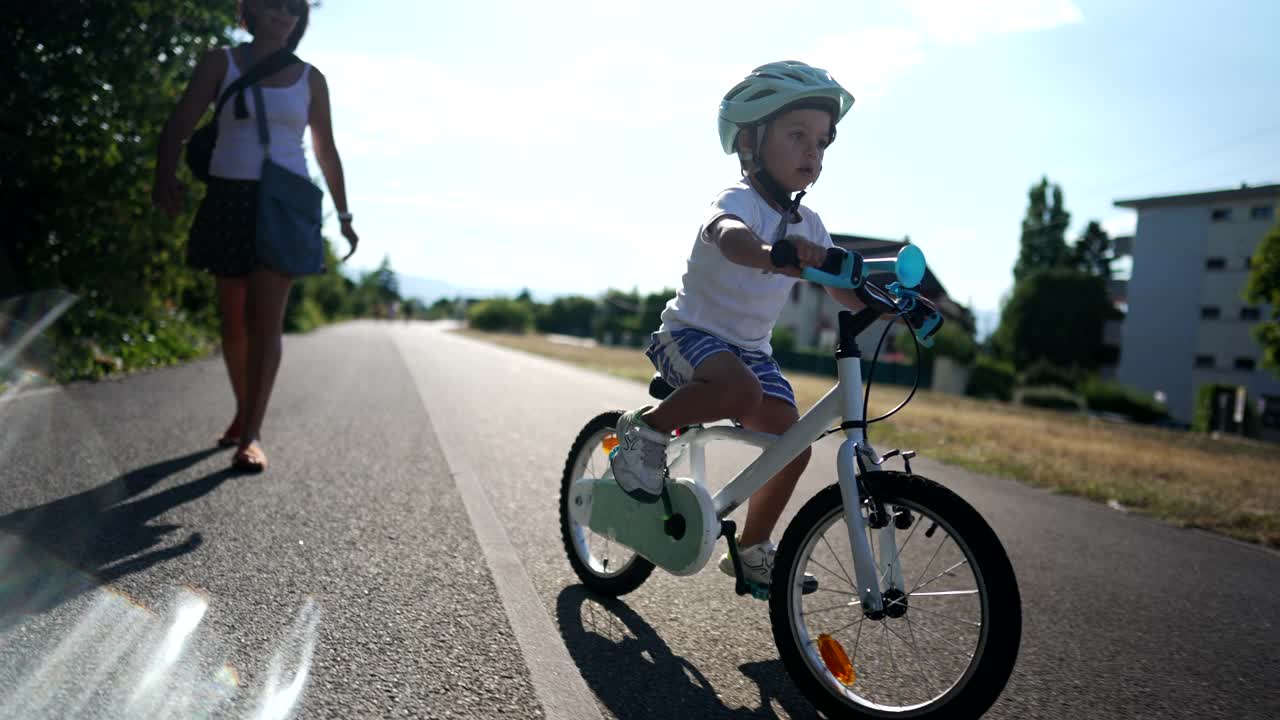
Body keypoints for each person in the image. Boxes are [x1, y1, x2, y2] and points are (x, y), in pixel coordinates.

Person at [609, 61, 870, 589]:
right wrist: (773, 253)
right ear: (751, 142)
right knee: (738, 390)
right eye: (797, 135)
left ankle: (752, 549)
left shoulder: (809, 225)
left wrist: (887, 302)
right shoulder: (737, 202)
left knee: (793, 443)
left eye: (821, 141)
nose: (812, 151)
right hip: (688, 336)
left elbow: (842, 285)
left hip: (751, 353)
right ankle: (646, 430)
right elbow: (728, 236)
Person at [151, 0, 357, 472]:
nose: (285, 14)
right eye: (276, 4)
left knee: (267, 319)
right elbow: (179, 126)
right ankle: (244, 411)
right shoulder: (218, 62)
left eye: (294, 8)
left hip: (285, 204)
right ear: (253, 10)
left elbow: (327, 151)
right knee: (233, 319)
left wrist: (344, 214)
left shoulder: (311, 78)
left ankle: (252, 435)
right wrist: (163, 178)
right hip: (229, 198)